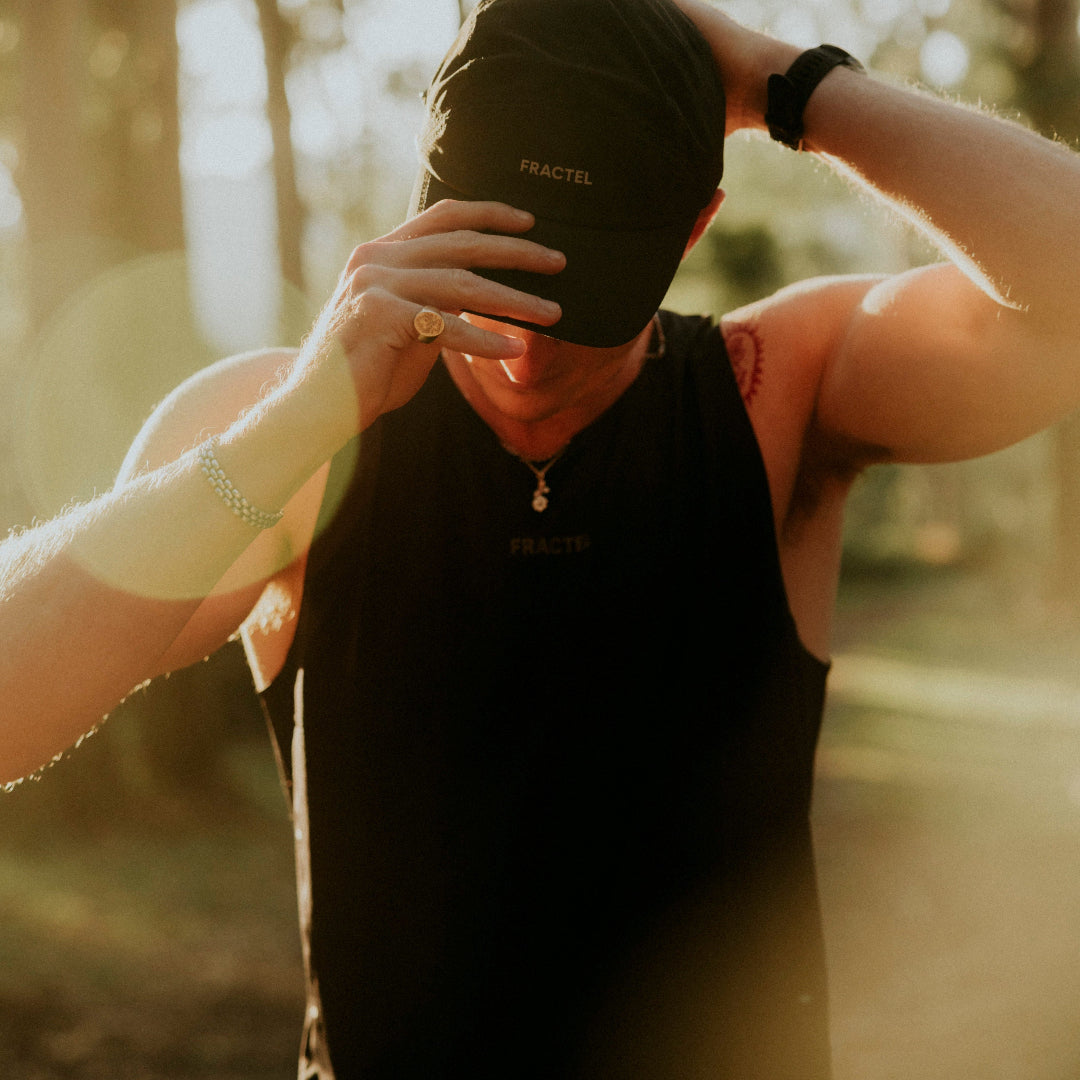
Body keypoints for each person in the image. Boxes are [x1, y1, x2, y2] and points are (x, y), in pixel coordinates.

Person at [3, 0, 1080, 1075]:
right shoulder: (286, 433)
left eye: (585, 299)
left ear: (693, 226)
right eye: (495, 275)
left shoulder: (776, 395)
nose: (523, 353)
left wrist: (778, 79)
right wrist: (301, 420)